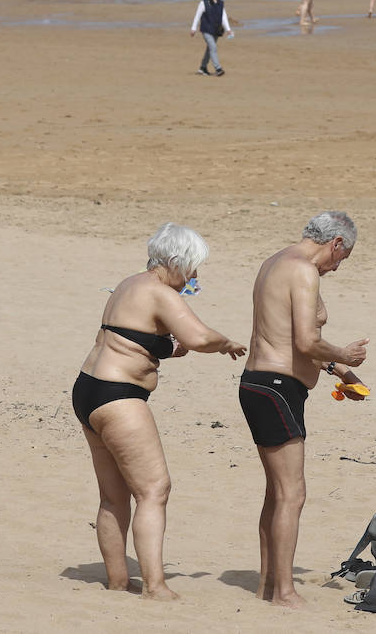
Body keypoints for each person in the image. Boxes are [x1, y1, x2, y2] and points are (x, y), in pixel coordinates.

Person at [73, 223, 247, 600]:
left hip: (89, 390)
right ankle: (156, 586)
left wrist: (165, 349)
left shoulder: (129, 284)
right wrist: (225, 342)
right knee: (154, 489)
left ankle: (119, 580)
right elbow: (199, 337)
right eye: (193, 268)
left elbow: (129, 338)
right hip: (118, 398)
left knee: (113, 496)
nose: (195, 277)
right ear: (175, 262)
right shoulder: (160, 292)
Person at [240, 211, 369, 608]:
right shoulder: (304, 271)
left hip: (261, 386)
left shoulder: (274, 262)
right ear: (336, 244)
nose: (336, 268)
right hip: (276, 389)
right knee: (292, 495)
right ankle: (284, 592)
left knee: (276, 493)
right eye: (341, 259)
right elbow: (307, 341)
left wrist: (339, 370)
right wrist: (343, 352)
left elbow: (285, 337)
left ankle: (268, 583)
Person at [190, 0, 233, 76]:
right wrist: (193, 28)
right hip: (206, 30)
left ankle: (203, 67)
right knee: (213, 47)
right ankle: (218, 69)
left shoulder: (221, 3)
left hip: (216, 30)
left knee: (210, 49)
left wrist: (228, 29)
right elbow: (197, 16)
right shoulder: (203, 3)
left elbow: (223, 17)